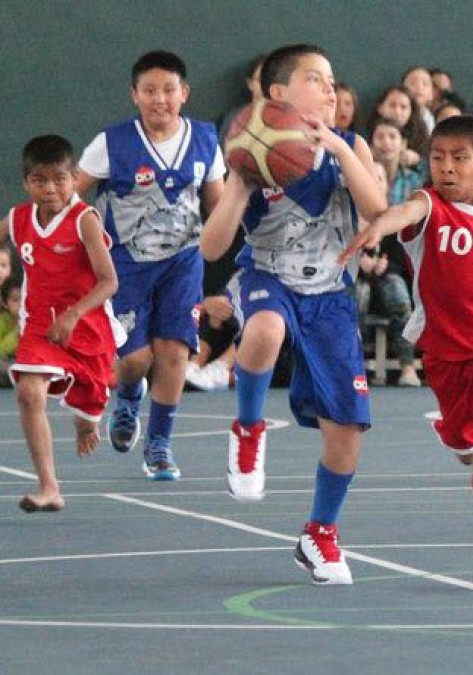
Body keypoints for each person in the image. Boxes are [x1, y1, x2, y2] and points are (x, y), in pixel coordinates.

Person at [200, 43, 386, 585]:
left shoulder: (351, 145)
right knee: (265, 328)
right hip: (267, 276)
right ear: (276, 93)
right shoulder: (247, 155)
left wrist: (339, 150)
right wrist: (238, 186)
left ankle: (319, 534)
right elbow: (211, 248)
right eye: (315, 78)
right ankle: (249, 425)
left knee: (347, 431)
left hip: (330, 296)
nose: (330, 88)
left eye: (332, 80)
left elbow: (376, 210)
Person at [341, 115, 473, 571]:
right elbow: (403, 212)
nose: (445, 167)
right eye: (437, 157)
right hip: (448, 350)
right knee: (465, 442)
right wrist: (380, 226)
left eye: (458, 158)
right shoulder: (427, 205)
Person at [76, 51, 226, 481]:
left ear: (184, 93)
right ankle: (128, 396)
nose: (159, 99)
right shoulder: (112, 143)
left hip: (183, 261)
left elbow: (218, 205)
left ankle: (159, 444)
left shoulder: (204, 139)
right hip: (125, 265)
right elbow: (74, 193)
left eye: (168, 90)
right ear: (135, 95)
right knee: (135, 360)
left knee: (175, 351)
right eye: (149, 91)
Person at [0, 135, 121, 512]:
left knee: (88, 411)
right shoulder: (18, 219)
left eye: (59, 179)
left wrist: (73, 314)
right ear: (26, 183)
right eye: (40, 180)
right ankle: (49, 487)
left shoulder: (83, 220)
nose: (50, 188)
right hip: (39, 327)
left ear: (73, 179)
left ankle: (87, 419)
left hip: (85, 327)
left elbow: (109, 281)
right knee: (28, 392)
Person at [1, 277, 21, 387]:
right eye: (15, 300)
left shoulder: (32, 321)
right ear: (5, 303)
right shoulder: (3, 321)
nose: (21, 304)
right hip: (7, 364)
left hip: (26, 363)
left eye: (24, 298)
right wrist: (17, 330)